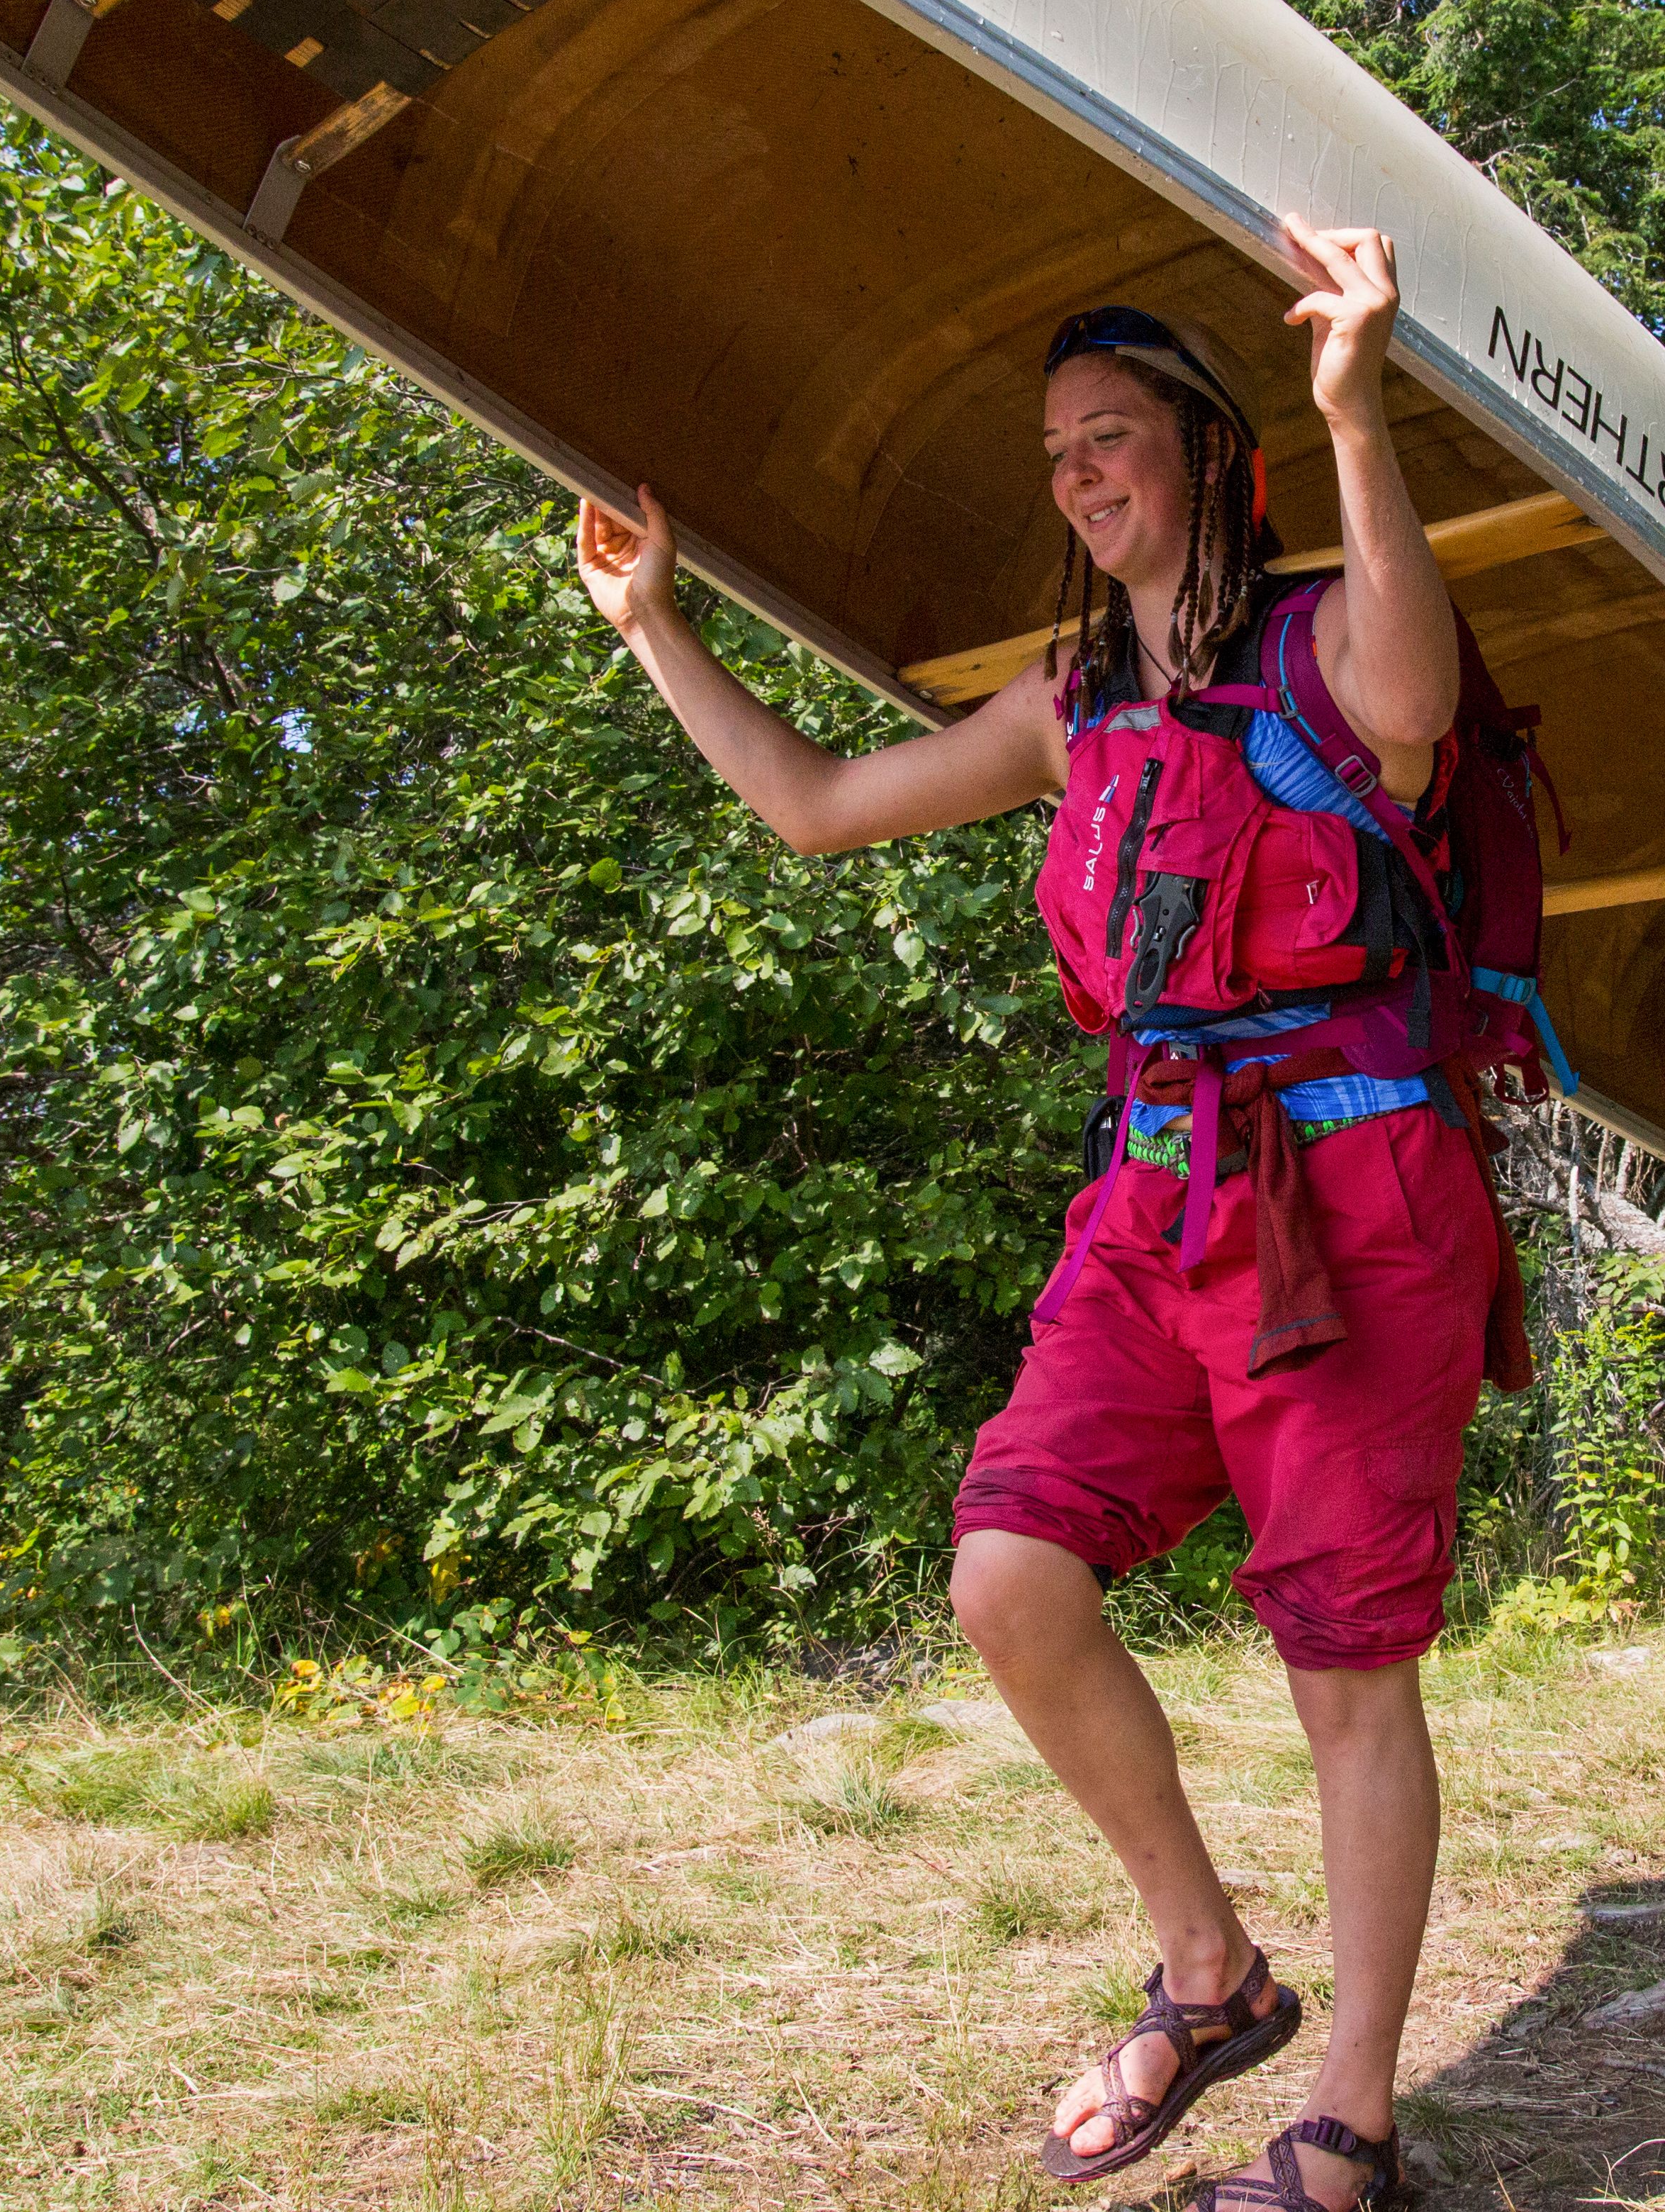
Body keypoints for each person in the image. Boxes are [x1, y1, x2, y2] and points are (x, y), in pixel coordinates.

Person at [573, 223, 1518, 2212]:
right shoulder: (1069, 702)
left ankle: (1347, 2125)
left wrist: (1357, 405)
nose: (1084, 478)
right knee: (1009, 1572)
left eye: (1115, 439)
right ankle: (1211, 1970)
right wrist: (655, 624)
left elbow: (1419, 704)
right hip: (1162, 1194)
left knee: (1347, 1666)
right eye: (1059, 455)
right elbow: (821, 806)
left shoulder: (1328, 634)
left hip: (1358, 1198)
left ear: (1203, 448)